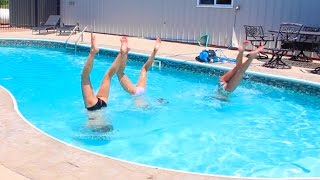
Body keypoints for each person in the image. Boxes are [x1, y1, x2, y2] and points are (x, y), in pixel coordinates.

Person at [81, 34, 128, 132]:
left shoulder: (106, 124)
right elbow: (86, 126)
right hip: (92, 107)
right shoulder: (93, 126)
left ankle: (122, 53)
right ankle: (93, 52)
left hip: (103, 104)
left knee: (108, 75)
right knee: (84, 75)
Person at [116, 37, 162, 108]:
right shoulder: (144, 106)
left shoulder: (145, 104)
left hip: (139, 91)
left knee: (144, 69)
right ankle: (124, 53)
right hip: (138, 92)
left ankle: (154, 51)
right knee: (120, 72)